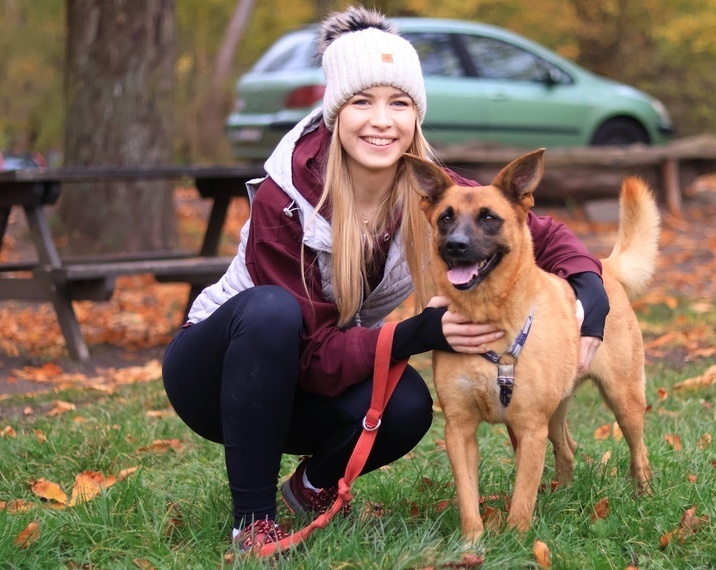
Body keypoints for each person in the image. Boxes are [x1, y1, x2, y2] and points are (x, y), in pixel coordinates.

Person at [161, 5, 609, 552]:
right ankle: (252, 522)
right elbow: (306, 349)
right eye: (362, 101)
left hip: (306, 382)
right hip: (222, 375)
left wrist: (592, 293)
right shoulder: (290, 198)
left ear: (416, 115)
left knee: (409, 406)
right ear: (335, 112)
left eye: (399, 103)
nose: (382, 120)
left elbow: (541, 231)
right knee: (271, 312)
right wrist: (420, 333)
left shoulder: (430, 193)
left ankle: (311, 487)